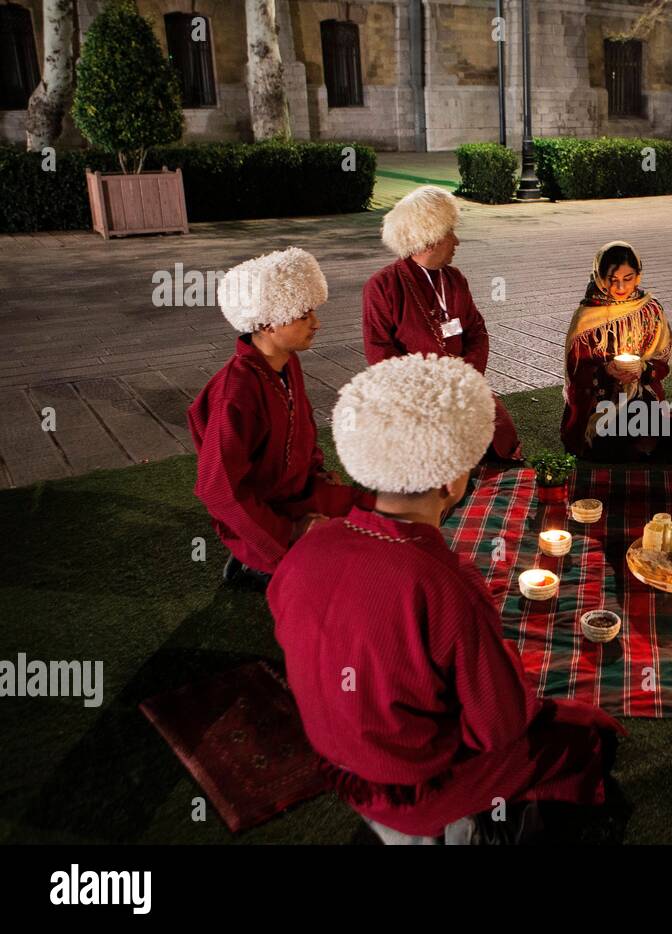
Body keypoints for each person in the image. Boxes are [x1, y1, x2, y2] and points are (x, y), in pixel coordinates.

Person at [270, 354, 624, 844]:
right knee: (584, 740)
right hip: (413, 787)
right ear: (448, 479)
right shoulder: (444, 583)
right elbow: (498, 728)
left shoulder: (308, 548)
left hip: (337, 761)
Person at [188, 248, 368, 590]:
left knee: (377, 520)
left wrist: (316, 471)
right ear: (269, 322)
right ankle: (251, 560)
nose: (316, 322)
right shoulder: (235, 393)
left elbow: (303, 430)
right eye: (303, 314)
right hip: (261, 517)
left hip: (296, 492)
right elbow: (219, 490)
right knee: (340, 577)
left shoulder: (286, 361)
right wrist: (292, 531)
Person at [362, 185, 522, 461]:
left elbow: (476, 332)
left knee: (501, 443)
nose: (457, 241)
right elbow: (380, 352)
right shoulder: (382, 285)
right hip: (413, 400)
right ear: (429, 239)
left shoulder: (454, 278)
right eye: (450, 233)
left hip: (462, 386)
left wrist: (466, 377)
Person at [561, 241, 672, 463]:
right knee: (608, 445)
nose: (620, 287)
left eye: (627, 279)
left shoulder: (650, 310)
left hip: (642, 399)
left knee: (640, 428)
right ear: (599, 277)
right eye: (613, 280)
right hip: (598, 407)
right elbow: (576, 372)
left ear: (638, 276)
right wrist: (606, 371)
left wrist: (643, 369)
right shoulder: (586, 318)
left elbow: (662, 362)